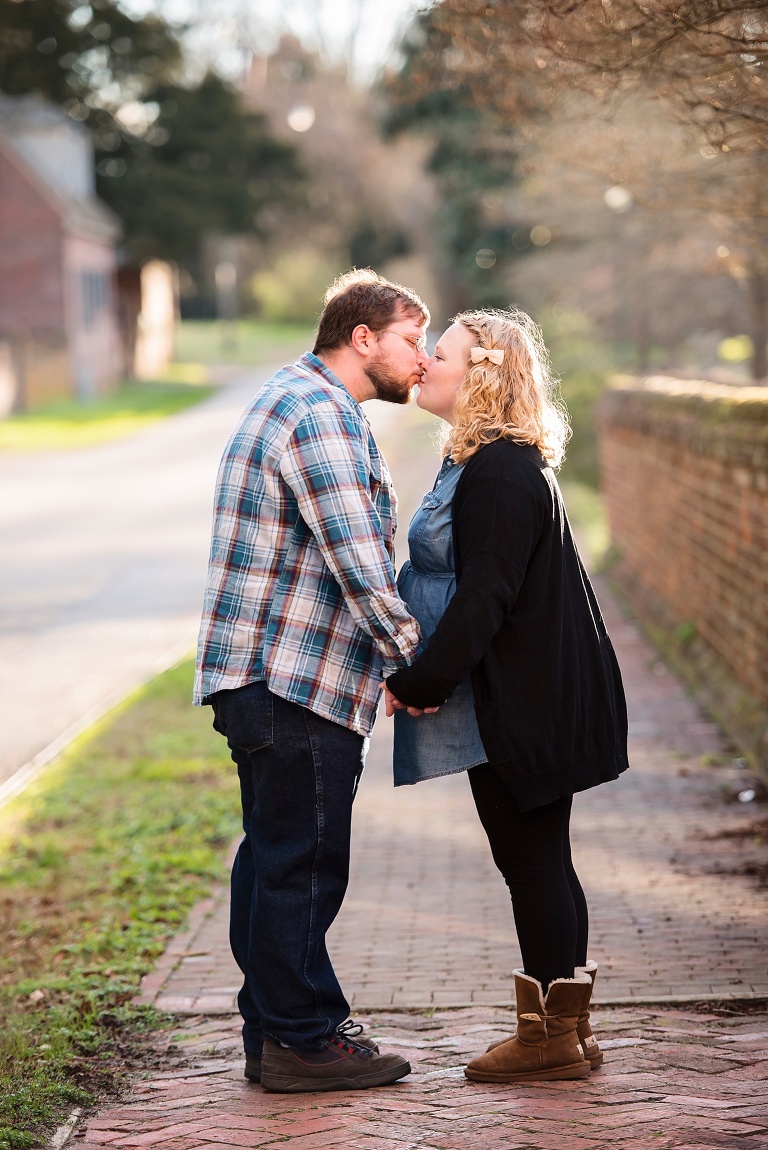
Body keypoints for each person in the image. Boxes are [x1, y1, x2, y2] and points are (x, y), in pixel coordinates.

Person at [194, 269, 432, 1093]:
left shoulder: (299, 398)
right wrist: (413, 659)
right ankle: (304, 1037)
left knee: (272, 859)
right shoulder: (319, 413)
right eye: (412, 339)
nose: (423, 360)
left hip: (265, 679)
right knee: (302, 863)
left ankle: (274, 1034)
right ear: (362, 337)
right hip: (293, 680)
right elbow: (359, 563)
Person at [384, 309, 629, 1084]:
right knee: (541, 859)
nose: (424, 363)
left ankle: (550, 1040)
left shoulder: (498, 472)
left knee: (532, 861)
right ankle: (566, 1032)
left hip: (529, 701)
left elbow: (483, 598)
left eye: (442, 353)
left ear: (481, 374)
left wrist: (420, 680)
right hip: (534, 693)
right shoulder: (497, 462)